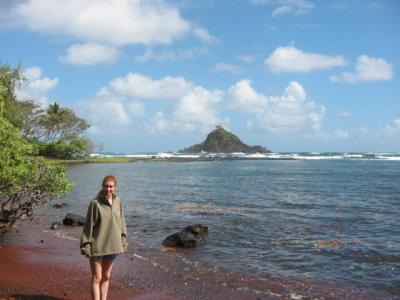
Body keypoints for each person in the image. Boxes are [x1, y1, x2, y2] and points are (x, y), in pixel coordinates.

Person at [80, 175, 128, 300]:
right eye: (106, 186)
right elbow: (88, 226)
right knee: (97, 277)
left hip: (113, 246)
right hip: (97, 246)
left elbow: (122, 222)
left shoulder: (118, 201)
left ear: (115, 187)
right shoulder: (95, 203)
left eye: (111, 186)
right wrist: (85, 244)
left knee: (106, 276)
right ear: (102, 186)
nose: (108, 189)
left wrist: (123, 239)